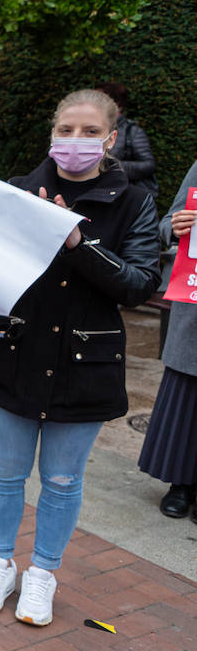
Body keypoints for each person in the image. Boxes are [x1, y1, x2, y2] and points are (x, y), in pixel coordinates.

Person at [0, 89, 159, 625]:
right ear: (52, 133)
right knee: (5, 471)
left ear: (111, 139)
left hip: (85, 362)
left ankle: (42, 572)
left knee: (63, 479)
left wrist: (78, 241)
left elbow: (140, 284)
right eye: (66, 129)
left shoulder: (133, 201)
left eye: (90, 131)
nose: (76, 141)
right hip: (16, 347)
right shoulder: (21, 191)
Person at [139, 157, 197, 518]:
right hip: (195, 299)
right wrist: (175, 227)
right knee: (187, 391)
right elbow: (167, 224)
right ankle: (180, 481)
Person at [95, 81, 158, 195]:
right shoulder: (86, 128)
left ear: (116, 104)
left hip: (122, 195)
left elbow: (148, 165)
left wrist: (110, 165)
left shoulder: (132, 132)